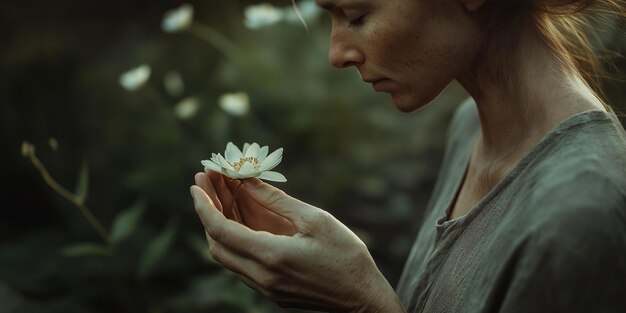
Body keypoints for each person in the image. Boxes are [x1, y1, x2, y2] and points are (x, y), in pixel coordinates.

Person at [190, 0, 626, 312]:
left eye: (357, 15)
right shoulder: (471, 129)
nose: (336, 54)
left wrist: (362, 300)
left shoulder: (583, 214)